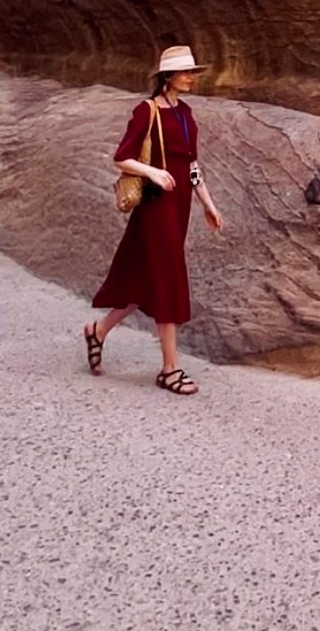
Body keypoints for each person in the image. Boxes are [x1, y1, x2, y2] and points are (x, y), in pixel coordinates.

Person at [84, 44, 224, 395]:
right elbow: (122, 158)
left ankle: (98, 331)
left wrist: (208, 202)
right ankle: (169, 369)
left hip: (179, 207)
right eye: (186, 72)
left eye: (193, 72)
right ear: (168, 77)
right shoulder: (146, 111)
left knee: (147, 282)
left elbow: (192, 166)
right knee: (169, 279)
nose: (192, 78)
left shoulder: (186, 113)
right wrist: (154, 172)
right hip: (156, 208)